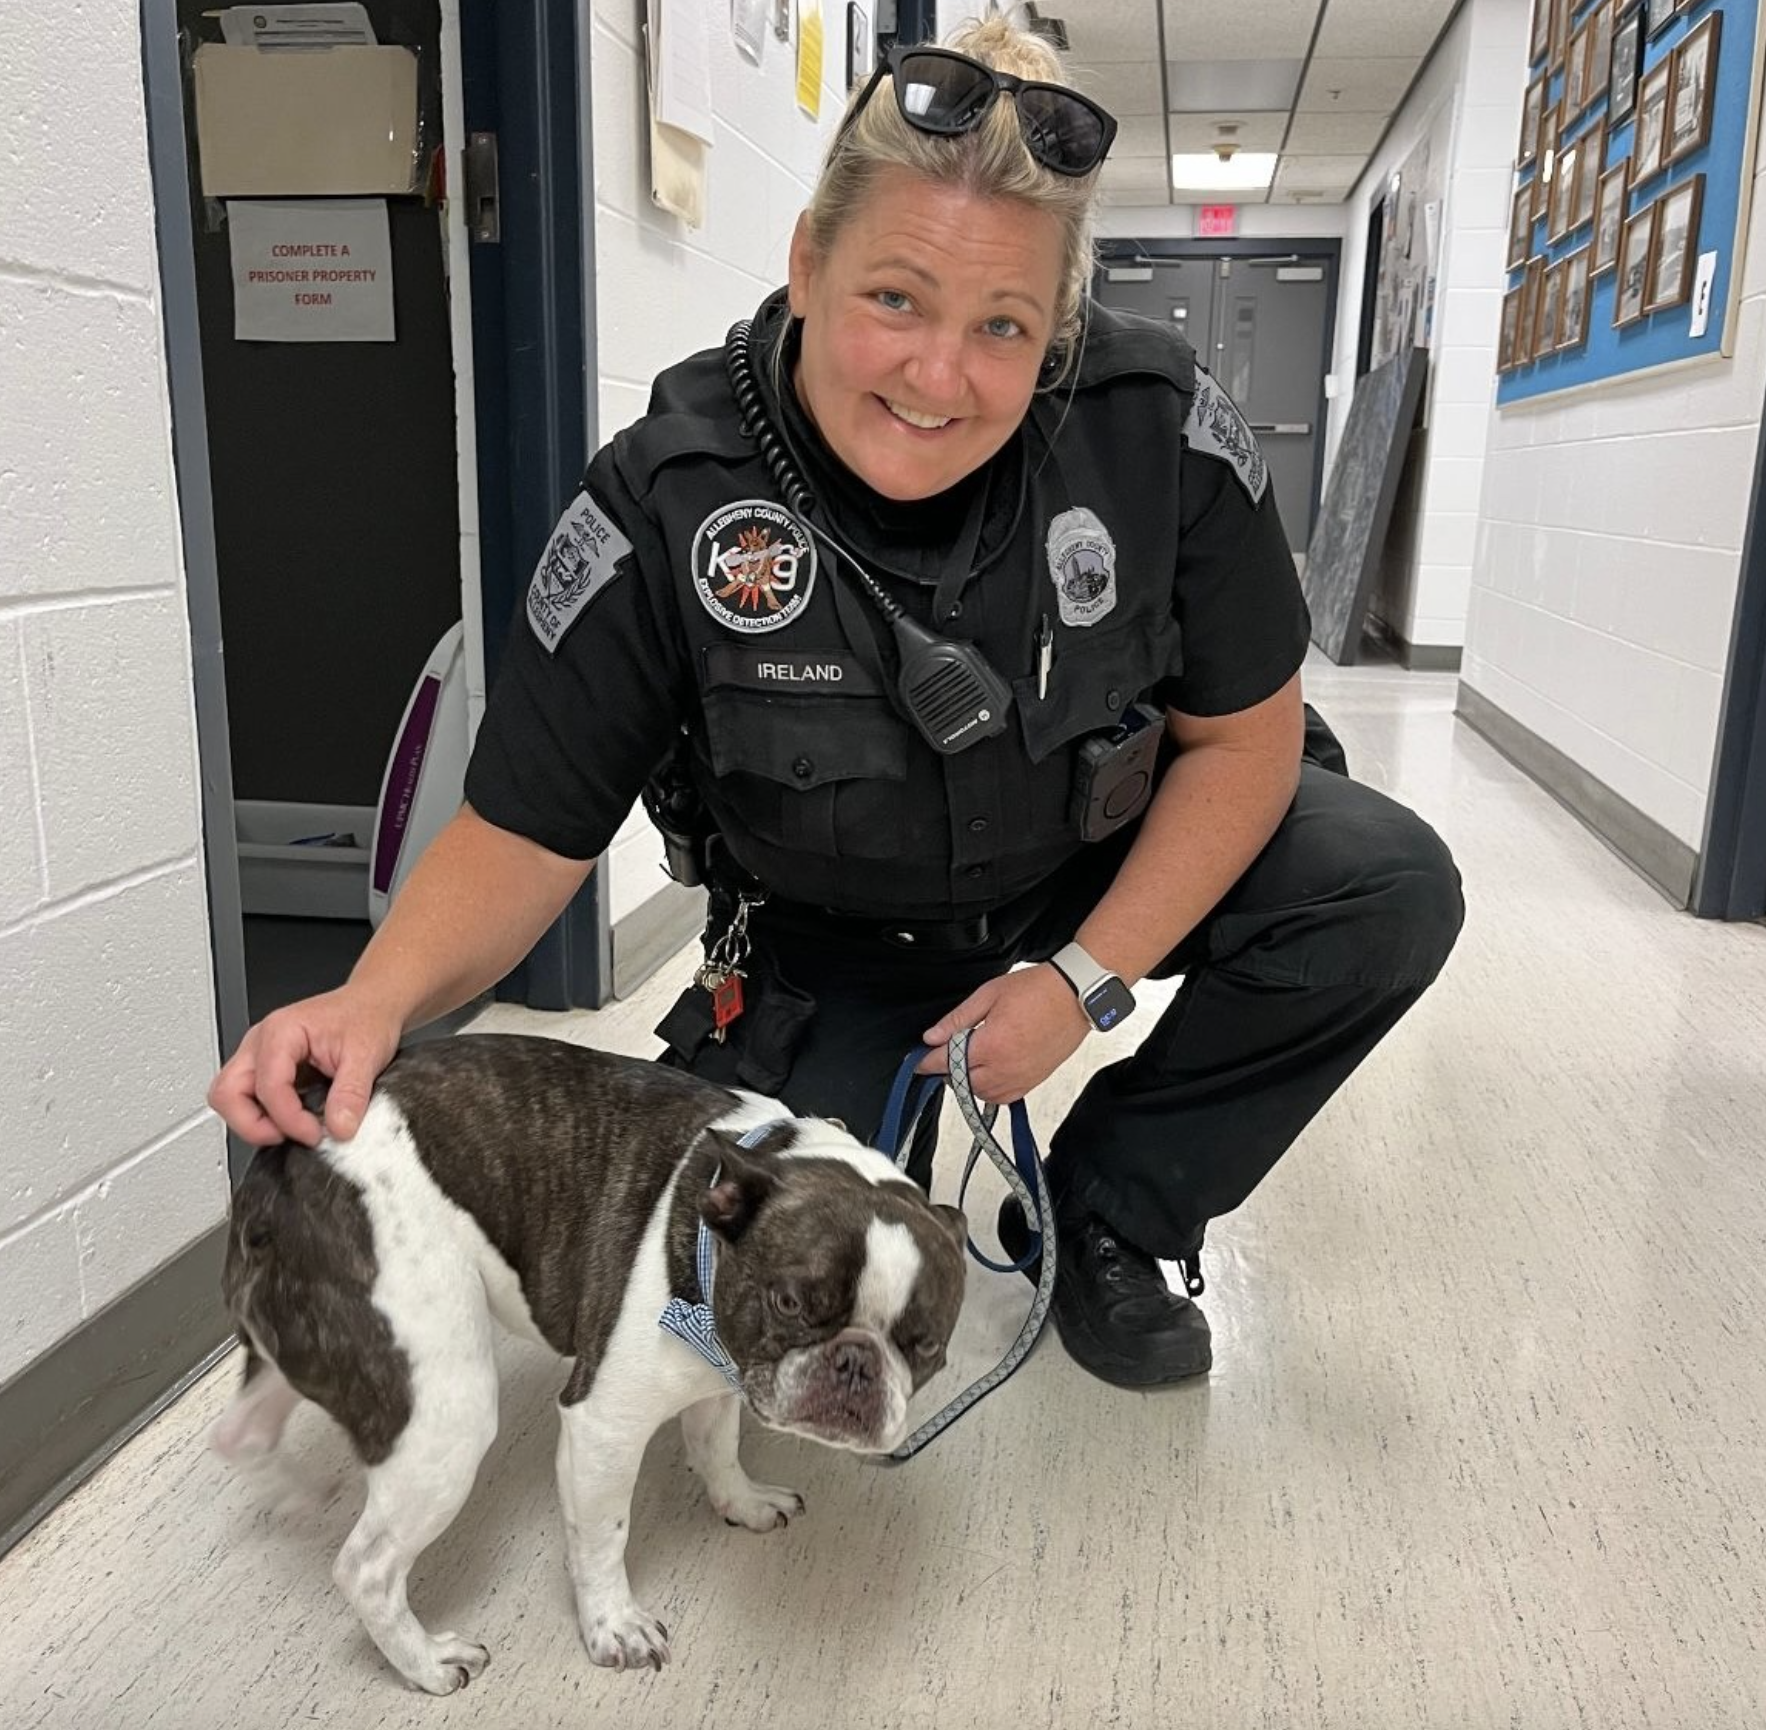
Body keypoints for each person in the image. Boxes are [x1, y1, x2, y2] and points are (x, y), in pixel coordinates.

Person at [210, 17, 1464, 1390]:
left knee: (1378, 883)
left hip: (1080, 867)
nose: (939, 375)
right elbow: (525, 829)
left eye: (1004, 325)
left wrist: (1080, 981)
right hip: (831, 936)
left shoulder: (1153, 430)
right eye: (895, 300)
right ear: (808, 260)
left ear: (1059, 325)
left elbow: (1244, 737)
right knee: (736, 1308)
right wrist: (373, 999)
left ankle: (1118, 1208)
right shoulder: (666, 494)